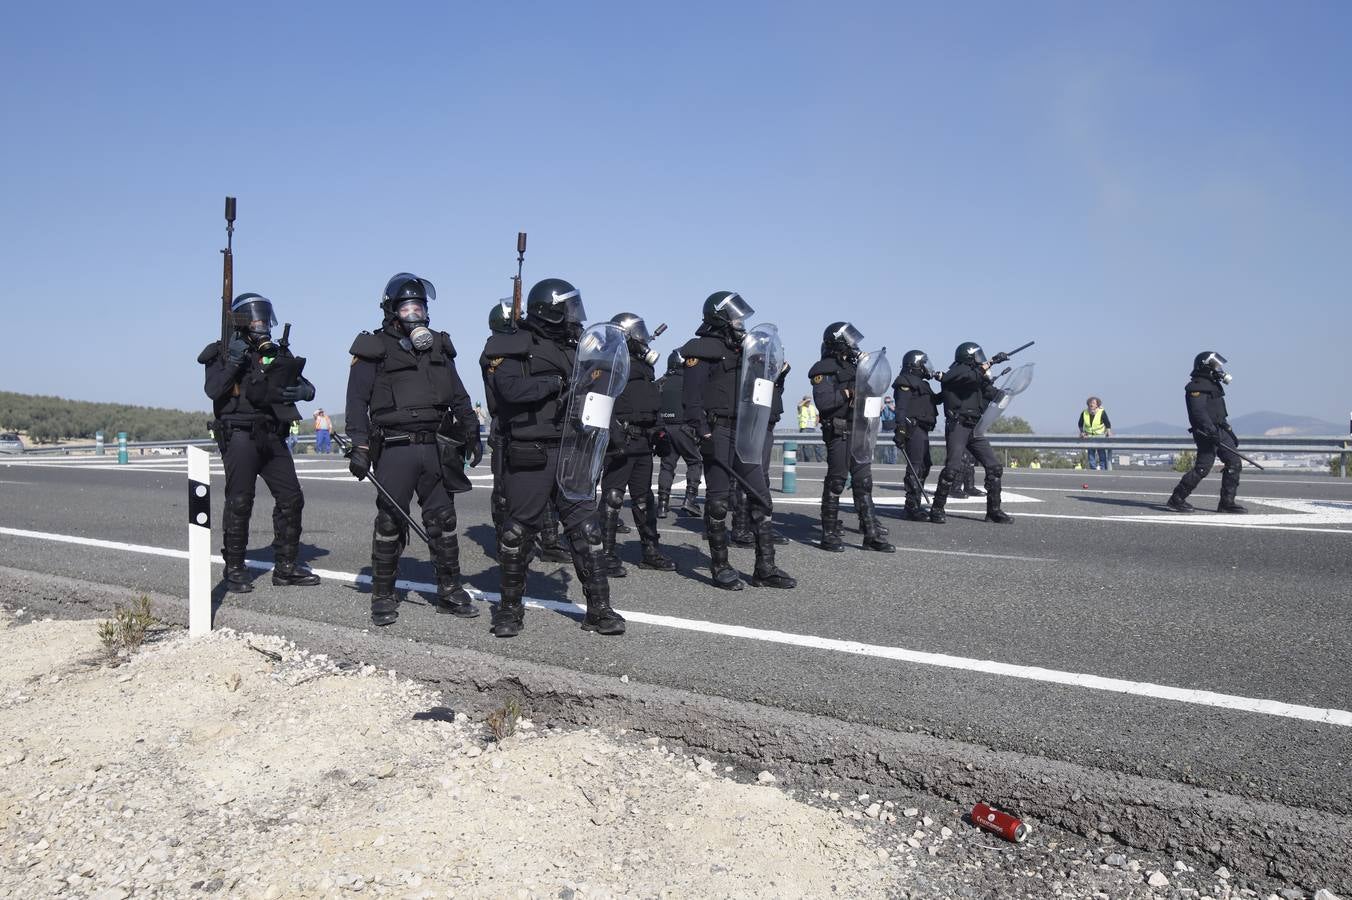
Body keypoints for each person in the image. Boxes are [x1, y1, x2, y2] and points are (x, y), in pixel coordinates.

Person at [488, 277, 626, 637]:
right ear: (547, 309)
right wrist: (555, 385)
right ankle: (509, 610)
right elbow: (509, 391)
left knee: (588, 530)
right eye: (566, 307)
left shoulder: (577, 347)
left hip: (574, 450)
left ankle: (599, 610)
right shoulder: (513, 345)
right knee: (517, 535)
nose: (573, 315)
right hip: (531, 452)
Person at [345, 272, 483, 627]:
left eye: (419, 306)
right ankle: (383, 594)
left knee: (444, 521)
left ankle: (450, 590)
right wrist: (360, 446)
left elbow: (459, 393)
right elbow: (357, 401)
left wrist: (472, 430)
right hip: (395, 448)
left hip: (436, 447)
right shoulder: (372, 348)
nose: (415, 313)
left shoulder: (438, 345)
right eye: (408, 307)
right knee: (390, 521)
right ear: (393, 311)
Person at [199, 292, 320, 593]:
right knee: (240, 502)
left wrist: (305, 392)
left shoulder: (277, 353)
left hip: (272, 435)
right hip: (240, 435)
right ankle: (235, 567)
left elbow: (303, 383)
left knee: (292, 498)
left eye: (264, 318)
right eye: (254, 318)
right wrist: (235, 361)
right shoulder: (222, 353)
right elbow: (214, 390)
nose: (261, 323)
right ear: (240, 322)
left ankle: (287, 567)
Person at [680, 291, 795, 590]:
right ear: (720, 317)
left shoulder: (745, 350)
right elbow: (691, 399)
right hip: (717, 432)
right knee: (718, 502)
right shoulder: (701, 350)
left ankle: (765, 567)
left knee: (761, 498)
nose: (741, 322)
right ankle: (720, 566)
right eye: (735, 316)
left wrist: (776, 372)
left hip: (746, 431)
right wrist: (702, 432)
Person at [598, 313, 677, 575]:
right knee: (613, 497)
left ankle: (650, 551)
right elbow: (601, 403)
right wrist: (613, 434)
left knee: (644, 499)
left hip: (643, 441)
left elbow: (650, 402)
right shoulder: (609, 365)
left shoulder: (644, 367)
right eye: (638, 332)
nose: (643, 337)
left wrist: (660, 432)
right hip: (621, 440)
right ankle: (606, 554)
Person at [809, 322, 894, 553]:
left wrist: (870, 368)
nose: (855, 345)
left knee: (864, 483)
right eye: (850, 341)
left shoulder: (858, 368)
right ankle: (829, 532)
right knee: (836, 481)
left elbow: (876, 390)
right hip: (840, 432)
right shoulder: (823, 369)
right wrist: (849, 392)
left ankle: (871, 534)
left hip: (861, 432)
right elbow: (825, 403)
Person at [929, 342, 1013, 525]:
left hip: (975, 427)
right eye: (977, 355)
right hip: (958, 425)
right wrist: (991, 362)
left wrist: (1007, 392)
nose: (980, 358)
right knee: (952, 469)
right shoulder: (956, 372)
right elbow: (966, 377)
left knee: (994, 467)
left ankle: (994, 511)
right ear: (967, 356)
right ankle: (937, 509)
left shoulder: (976, 376)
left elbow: (988, 391)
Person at [1167, 352, 1245, 514]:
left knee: (1234, 463)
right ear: (1205, 365)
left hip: (1219, 430)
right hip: (1205, 432)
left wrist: (1229, 432)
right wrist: (1210, 432)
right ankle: (1177, 498)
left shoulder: (1213, 385)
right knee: (1203, 468)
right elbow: (1199, 413)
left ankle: (1227, 503)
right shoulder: (1196, 386)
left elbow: (1219, 414)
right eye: (1215, 365)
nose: (1219, 368)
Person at [892, 349, 941, 520]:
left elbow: (936, 400)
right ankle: (911, 505)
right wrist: (901, 428)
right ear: (915, 365)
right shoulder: (904, 381)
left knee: (925, 464)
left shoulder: (922, 384)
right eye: (924, 364)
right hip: (912, 427)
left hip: (923, 428)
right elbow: (902, 407)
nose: (927, 368)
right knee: (916, 465)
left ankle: (916, 501)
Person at [656, 350, 703, 518]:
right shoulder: (689, 382)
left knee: (667, 466)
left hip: (664, 430)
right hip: (684, 429)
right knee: (695, 462)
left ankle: (662, 505)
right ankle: (690, 500)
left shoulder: (660, 382)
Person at [1079, 396, 1112, 470]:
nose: (1091, 404)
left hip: (1100, 436)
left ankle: (1103, 469)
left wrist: (1108, 431)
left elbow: (1107, 423)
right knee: (1091, 454)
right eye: (1090, 403)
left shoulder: (1101, 412)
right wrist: (1082, 432)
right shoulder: (1085, 413)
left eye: (1093, 403)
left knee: (1102, 454)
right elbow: (1080, 423)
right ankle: (1093, 469)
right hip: (1089, 436)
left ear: (1097, 404)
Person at [796, 396, 821, 462]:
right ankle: (807, 460)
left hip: (812, 428)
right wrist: (805, 401)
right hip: (804, 428)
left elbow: (817, 415)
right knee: (805, 445)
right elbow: (799, 405)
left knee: (817, 444)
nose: (808, 402)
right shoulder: (801, 407)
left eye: (809, 401)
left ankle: (819, 460)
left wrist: (817, 422)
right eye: (807, 401)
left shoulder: (813, 407)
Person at [879, 396, 898, 464]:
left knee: (893, 449)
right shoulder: (883, 409)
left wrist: (893, 409)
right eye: (886, 402)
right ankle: (886, 463)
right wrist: (881, 409)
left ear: (891, 402)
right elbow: (877, 416)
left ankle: (893, 463)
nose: (887, 404)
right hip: (884, 430)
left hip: (892, 430)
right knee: (885, 449)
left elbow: (899, 415)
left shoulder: (894, 408)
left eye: (889, 402)